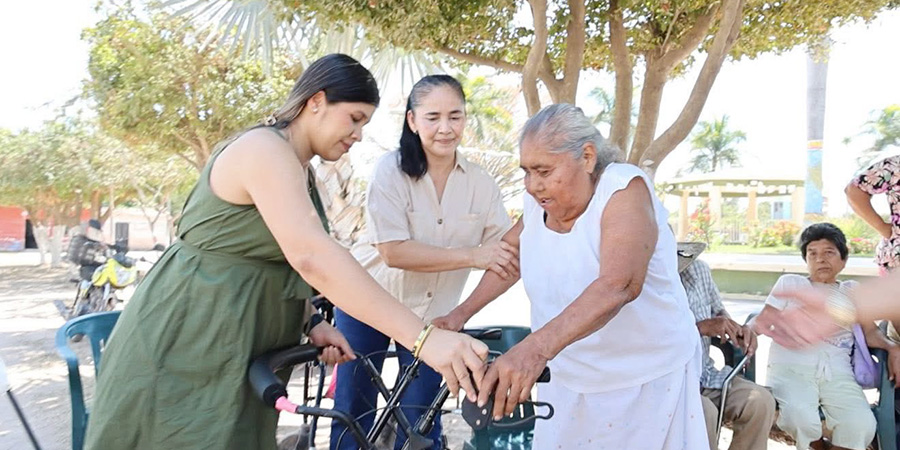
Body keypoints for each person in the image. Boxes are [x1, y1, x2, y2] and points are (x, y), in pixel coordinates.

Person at [83, 54, 489, 450]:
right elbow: (311, 256)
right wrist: (423, 340)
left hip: (239, 345)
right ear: (316, 102)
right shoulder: (264, 149)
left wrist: (310, 320)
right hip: (190, 336)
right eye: (354, 118)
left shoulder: (299, 168)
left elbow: (270, 263)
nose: (359, 135)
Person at [433, 103, 707, 449]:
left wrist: (533, 350)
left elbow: (618, 285)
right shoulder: (539, 202)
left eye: (543, 171)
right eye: (526, 172)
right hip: (569, 374)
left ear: (587, 157)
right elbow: (511, 257)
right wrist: (459, 315)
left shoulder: (624, 190)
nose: (533, 185)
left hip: (644, 378)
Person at [330, 74, 514, 450]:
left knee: (422, 418)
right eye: (433, 117)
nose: (445, 128)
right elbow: (393, 251)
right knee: (353, 413)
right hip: (369, 304)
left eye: (455, 116)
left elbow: (506, 259)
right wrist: (473, 255)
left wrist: (462, 312)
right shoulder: (390, 170)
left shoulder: (481, 183)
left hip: (437, 317)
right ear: (412, 121)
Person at [753, 223, 900, 450]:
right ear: (806, 260)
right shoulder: (792, 283)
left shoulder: (851, 291)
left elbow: (871, 333)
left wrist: (892, 348)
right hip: (791, 371)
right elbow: (761, 321)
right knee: (798, 418)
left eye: (829, 252)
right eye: (812, 254)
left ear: (843, 259)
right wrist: (749, 332)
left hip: (837, 374)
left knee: (861, 424)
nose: (820, 259)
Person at [677, 242, 776, 450]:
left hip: (704, 375)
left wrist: (740, 332)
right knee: (704, 412)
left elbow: (720, 315)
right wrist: (700, 328)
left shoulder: (697, 269)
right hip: (667, 384)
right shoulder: (641, 283)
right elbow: (648, 341)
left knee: (760, 402)